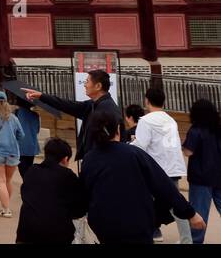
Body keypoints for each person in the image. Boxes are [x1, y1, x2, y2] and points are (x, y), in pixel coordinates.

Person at [80, 110, 203, 244]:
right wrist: (190, 213)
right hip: (137, 224)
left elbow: (84, 195)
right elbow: (164, 186)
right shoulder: (134, 154)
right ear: (118, 130)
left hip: (104, 227)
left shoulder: (89, 159)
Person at [22, 69, 122, 161]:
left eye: (87, 81)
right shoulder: (92, 105)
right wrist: (41, 96)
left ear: (98, 86)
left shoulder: (108, 109)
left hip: (101, 162)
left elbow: (116, 141)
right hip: (92, 159)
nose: (85, 85)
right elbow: (66, 105)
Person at [132, 87, 189, 243]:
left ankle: (153, 234)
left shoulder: (146, 120)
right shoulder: (171, 120)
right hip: (173, 167)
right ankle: (186, 239)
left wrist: (126, 146)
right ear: (164, 102)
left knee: (146, 204)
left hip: (156, 170)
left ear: (147, 100)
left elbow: (141, 145)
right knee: (178, 205)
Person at [16, 138, 87, 244]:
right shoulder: (68, 176)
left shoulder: (31, 171)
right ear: (65, 159)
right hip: (56, 235)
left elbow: (26, 195)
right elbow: (79, 210)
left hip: (25, 234)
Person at [184, 98, 221, 244]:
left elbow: (188, 152)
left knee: (199, 214)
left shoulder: (195, 130)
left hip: (200, 179)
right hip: (218, 176)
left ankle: (196, 241)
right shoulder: (218, 129)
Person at [12, 92, 41, 180]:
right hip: (32, 145)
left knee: (23, 170)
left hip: (20, 146)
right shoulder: (35, 115)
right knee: (29, 167)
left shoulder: (16, 114)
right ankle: (29, 185)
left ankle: (27, 187)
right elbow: (37, 130)